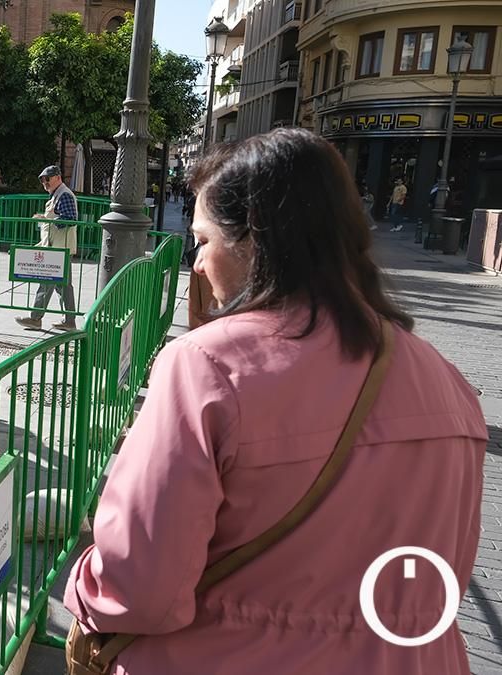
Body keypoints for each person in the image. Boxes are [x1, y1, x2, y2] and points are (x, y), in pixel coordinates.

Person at [63, 128, 486, 675]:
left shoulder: (206, 367)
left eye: (203, 241)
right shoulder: (446, 381)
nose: (195, 264)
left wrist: (82, 581)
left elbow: (139, 588)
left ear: (253, 242)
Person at [15, 165, 78, 331]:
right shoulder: (59, 194)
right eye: (42, 180)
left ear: (58, 177)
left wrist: (48, 220)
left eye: (47, 179)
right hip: (58, 248)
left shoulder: (63, 195)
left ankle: (36, 318)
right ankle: (69, 321)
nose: (45, 183)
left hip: (59, 250)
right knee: (62, 286)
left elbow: (70, 218)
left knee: (47, 282)